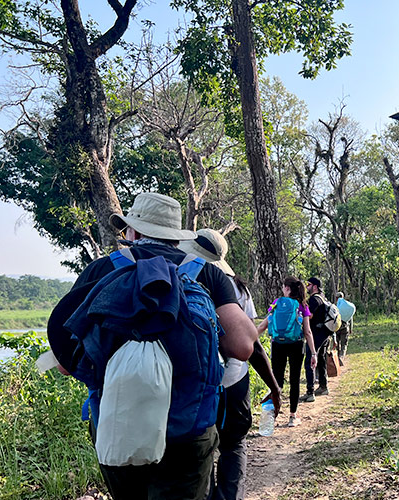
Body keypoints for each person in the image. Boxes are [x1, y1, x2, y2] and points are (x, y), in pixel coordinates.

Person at [53, 192, 259, 500]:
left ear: (133, 232)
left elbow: (64, 362)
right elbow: (243, 347)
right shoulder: (206, 272)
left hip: (117, 427)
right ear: (177, 237)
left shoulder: (101, 271)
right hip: (189, 428)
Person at [178, 228, 280, 500]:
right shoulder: (237, 287)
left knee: (198, 447)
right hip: (233, 381)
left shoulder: (174, 274)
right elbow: (252, 345)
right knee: (233, 444)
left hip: (191, 384)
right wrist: (274, 386)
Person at [256, 276, 317, 427]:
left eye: (283, 287)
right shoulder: (302, 305)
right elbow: (308, 332)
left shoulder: (276, 303)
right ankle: (292, 417)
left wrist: (250, 338)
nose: (282, 290)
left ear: (287, 288)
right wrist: (313, 353)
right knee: (294, 380)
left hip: (277, 344)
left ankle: (270, 418)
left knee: (275, 381)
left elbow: (264, 324)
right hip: (296, 345)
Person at [300, 277, 333, 402]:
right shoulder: (323, 297)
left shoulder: (314, 300)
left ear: (315, 286)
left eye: (308, 284)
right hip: (325, 333)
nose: (307, 287)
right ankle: (323, 387)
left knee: (310, 360)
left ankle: (310, 392)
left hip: (315, 335)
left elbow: (310, 315)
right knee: (321, 359)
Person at [334, 291, 351, 366]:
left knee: (337, 342)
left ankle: (338, 357)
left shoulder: (335, 306)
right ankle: (341, 356)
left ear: (336, 298)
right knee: (344, 343)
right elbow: (350, 318)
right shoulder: (347, 306)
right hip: (345, 327)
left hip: (337, 328)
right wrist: (351, 328)